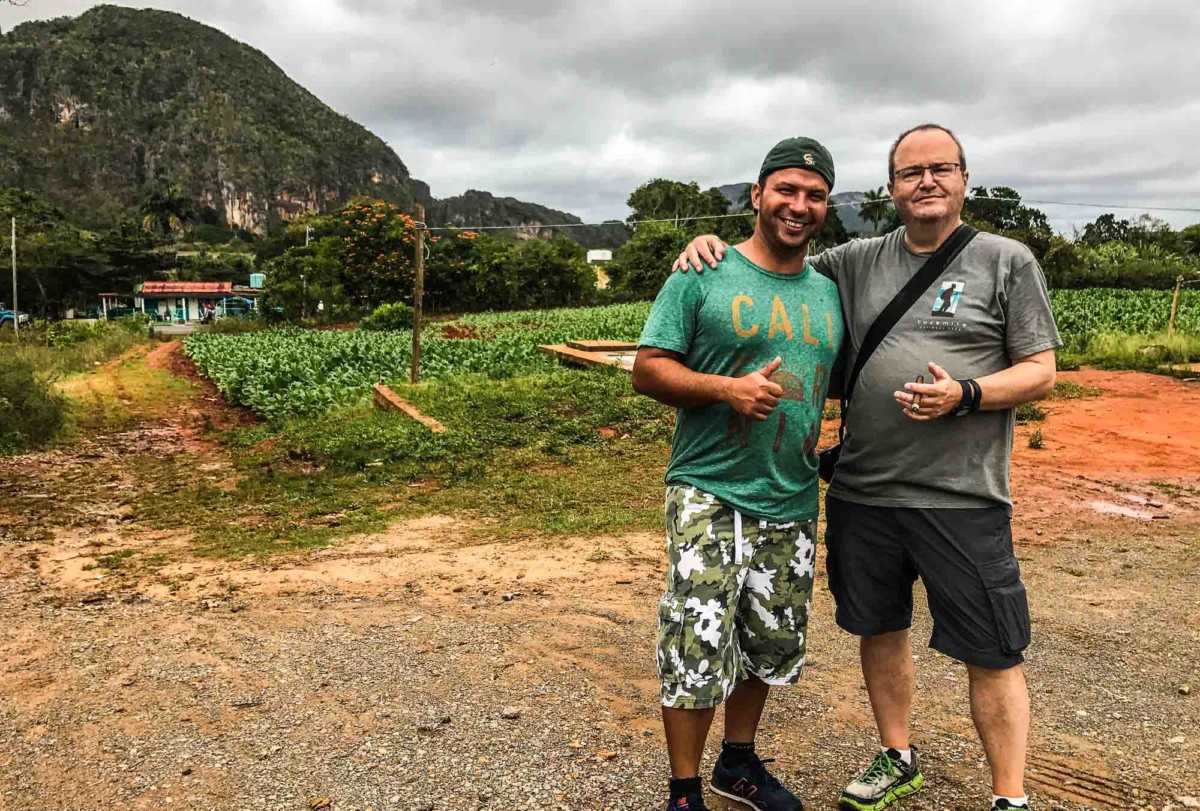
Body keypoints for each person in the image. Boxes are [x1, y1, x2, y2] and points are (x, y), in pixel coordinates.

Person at [673, 123, 1060, 811]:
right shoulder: (855, 260)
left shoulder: (1007, 261)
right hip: (864, 491)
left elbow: (1041, 370)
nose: (927, 181)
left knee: (994, 649)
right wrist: (706, 247)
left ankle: (1010, 796)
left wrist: (968, 393)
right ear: (891, 189)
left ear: (965, 178)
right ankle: (897, 753)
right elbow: (772, 263)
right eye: (911, 172)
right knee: (880, 629)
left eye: (941, 168)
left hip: (962, 494)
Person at [633, 136, 845, 811]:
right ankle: (684, 790)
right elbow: (648, 368)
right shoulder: (701, 273)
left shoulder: (830, 290)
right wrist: (726, 390)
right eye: (786, 189)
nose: (799, 204)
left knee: (768, 640)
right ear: (756, 196)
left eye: (814, 195)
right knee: (695, 640)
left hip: (791, 492)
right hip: (709, 488)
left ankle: (739, 761)